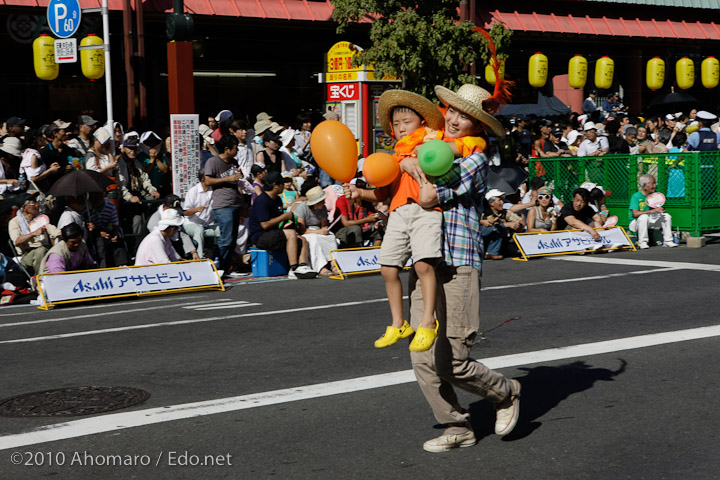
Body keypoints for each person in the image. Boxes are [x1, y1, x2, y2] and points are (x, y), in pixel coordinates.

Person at [405, 85, 521, 450]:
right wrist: (404, 158)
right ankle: (456, 426)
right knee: (421, 355)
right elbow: (401, 160)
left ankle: (505, 392)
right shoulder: (431, 141)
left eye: (464, 116)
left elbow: (431, 189)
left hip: (458, 262)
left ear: (478, 125)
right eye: (451, 112)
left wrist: (410, 161)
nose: (454, 120)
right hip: (423, 260)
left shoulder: (475, 159)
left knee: (453, 360)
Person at [356, 88, 446, 352]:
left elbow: (436, 163)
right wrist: (359, 192)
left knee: (423, 266)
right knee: (387, 268)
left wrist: (410, 157)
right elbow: (382, 192)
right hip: (397, 211)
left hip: (425, 210)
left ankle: (429, 320)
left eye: (407, 122)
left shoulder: (431, 143)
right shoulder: (394, 155)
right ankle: (398, 322)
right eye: (397, 124)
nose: (401, 127)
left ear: (422, 122)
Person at [247, 171, 316, 279]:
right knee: (291, 234)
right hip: (260, 236)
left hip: (274, 233)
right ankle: (293, 268)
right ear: (275, 185)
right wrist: (284, 217)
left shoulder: (278, 200)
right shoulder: (262, 200)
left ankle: (302, 266)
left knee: (301, 239)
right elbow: (264, 225)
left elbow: (278, 222)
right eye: (281, 184)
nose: (283, 186)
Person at [204, 135, 244, 274]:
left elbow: (237, 182)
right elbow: (208, 181)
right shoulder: (213, 162)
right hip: (223, 205)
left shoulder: (234, 162)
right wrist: (229, 178)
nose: (237, 150)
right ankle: (217, 266)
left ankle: (226, 268)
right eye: (235, 148)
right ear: (227, 149)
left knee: (232, 239)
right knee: (225, 238)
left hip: (235, 203)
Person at [8, 197, 61, 275]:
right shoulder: (14, 222)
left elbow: (54, 230)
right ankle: (40, 278)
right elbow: (17, 241)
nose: (37, 205)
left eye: (37, 203)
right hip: (27, 254)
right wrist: (33, 234)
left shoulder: (41, 218)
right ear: (24, 207)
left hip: (46, 248)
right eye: (34, 203)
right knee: (40, 251)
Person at [293, 185, 338, 276]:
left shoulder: (323, 209)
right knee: (313, 239)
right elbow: (302, 230)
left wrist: (324, 230)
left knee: (331, 237)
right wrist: (319, 232)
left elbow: (324, 225)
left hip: (317, 229)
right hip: (307, 231)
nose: (324, 202)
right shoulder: (302, 208)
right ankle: (321, 266)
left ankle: (333, 263)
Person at [628, 174, 676, 249]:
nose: (655, 186)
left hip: (651, 219)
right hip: (636, 223)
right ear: (644, 185)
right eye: (652, 183)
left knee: (666, 216)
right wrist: (653, 211)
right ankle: (642, 242)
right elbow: (635, 214)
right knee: (643, 217)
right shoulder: (636, 196)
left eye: (655, 183)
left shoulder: (656, 195)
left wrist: (660, 210)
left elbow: (657, 211)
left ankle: (668, 241)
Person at [86, 191, 129, 268]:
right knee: (100, 242)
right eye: (94, 195)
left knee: (118, 239)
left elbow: (115, 224)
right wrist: (97, 231)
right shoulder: (87, 208)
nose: (96, 198)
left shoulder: (110, 206)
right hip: (94, 232)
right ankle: (103, 266)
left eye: (99, 195)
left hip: (108, 229)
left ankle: (122, 264)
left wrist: (115, 234)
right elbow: (85, 224)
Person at [183, 169, 219, 258]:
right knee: (199, 230)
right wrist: (196, 209)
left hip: (208, 224)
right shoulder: (193, 191)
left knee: (222, 229)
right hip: (191, 224)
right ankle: (199, 258)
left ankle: (220, 256)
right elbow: (185, 212)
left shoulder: (214, 191)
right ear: (203, 179)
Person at [480, 189, 522, 260]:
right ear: (491, 203)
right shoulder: (483, 213)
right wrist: (507, 224)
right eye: (499, 200)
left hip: (502, 240)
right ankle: (490, 253)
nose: (502, 202)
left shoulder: (504, 212)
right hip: (483, 238)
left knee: (516, 252)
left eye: (502, 200)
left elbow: (520, 221)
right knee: (496, 228)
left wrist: (518, 226)